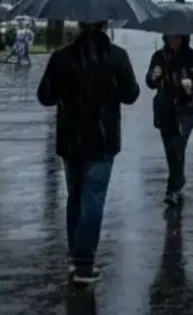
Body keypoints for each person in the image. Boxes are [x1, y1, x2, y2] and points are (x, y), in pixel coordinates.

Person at [37, 22, 140, 285]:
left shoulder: (62, 57)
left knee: (75, 197)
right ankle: (84, 262)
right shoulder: (117, 56)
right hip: (103, 140)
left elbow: (45, 96)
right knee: (93, 199)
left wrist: (65, 90)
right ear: (105, 24)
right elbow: (131, 95)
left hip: (71, 139)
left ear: (80, 25)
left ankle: (75, 255)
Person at [146, 35, 193, 206]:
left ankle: (172, 189)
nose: (173, 39)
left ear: (183, 37)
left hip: (185, 110)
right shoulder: (159, 57)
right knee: (170, 150)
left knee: (177, 146)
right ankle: (179, 180)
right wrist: (154, 76)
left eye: (176, 36)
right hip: (164, 110)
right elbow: (150, 82)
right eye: (170, 36)